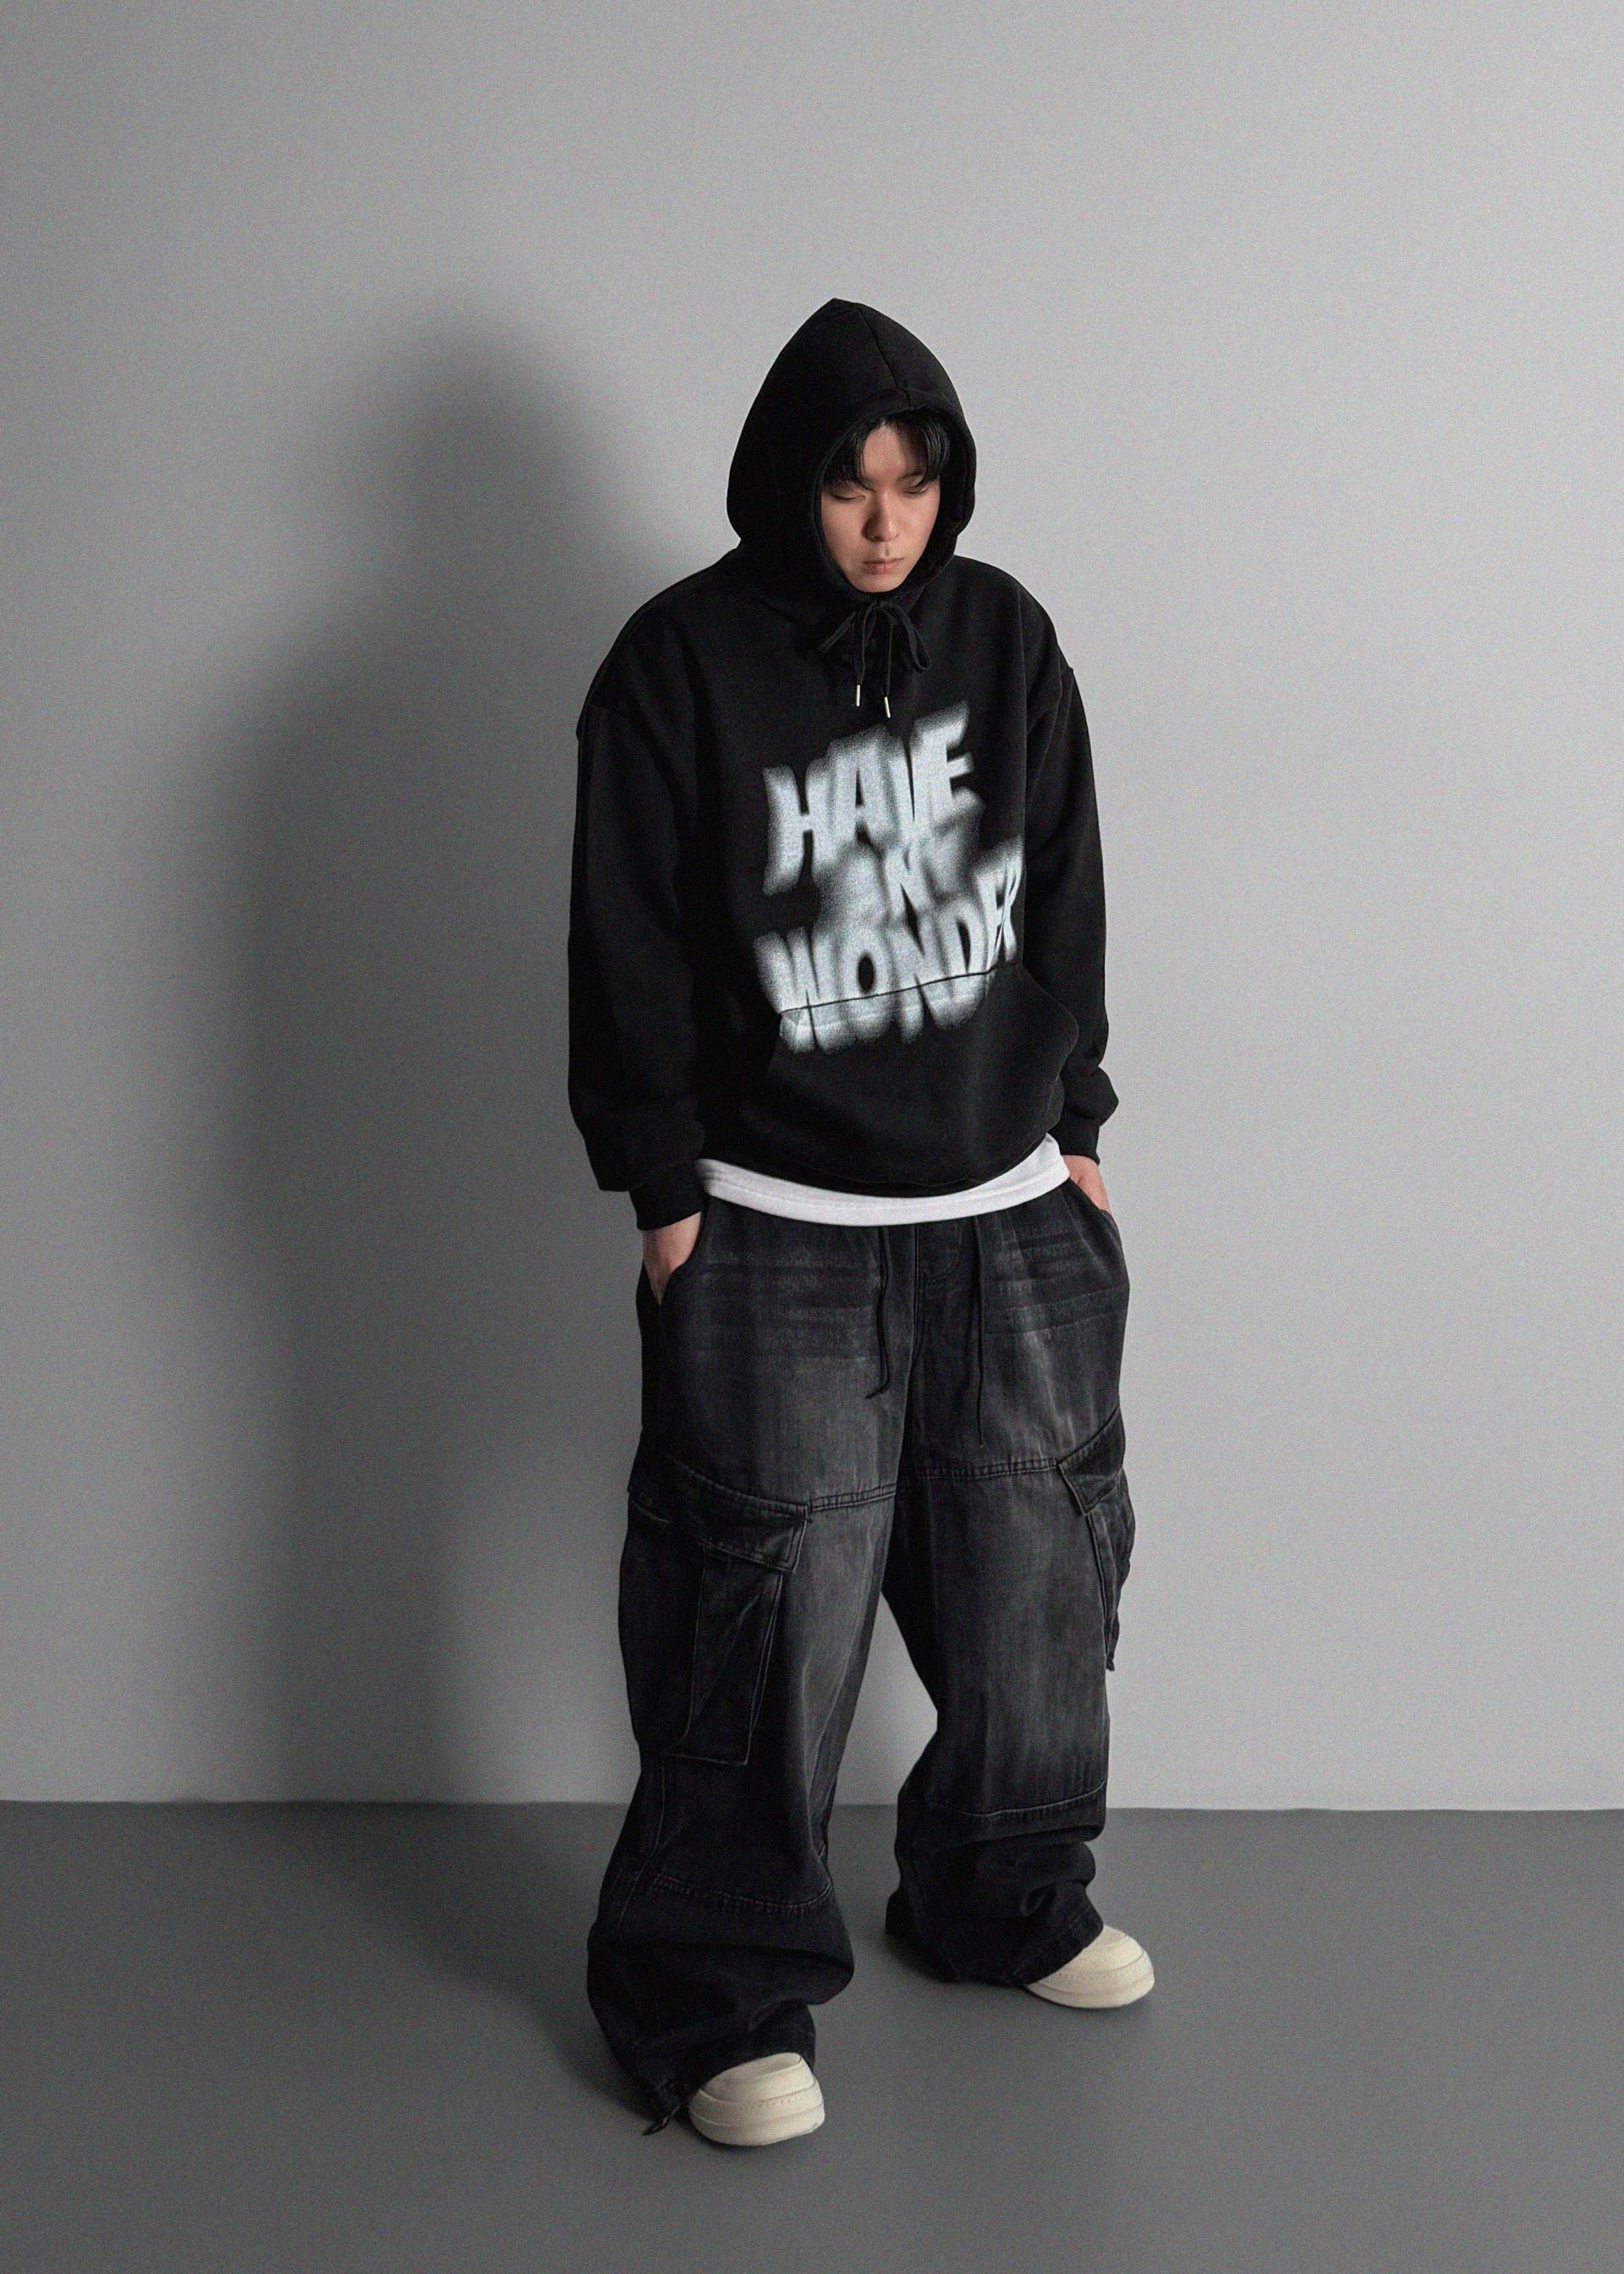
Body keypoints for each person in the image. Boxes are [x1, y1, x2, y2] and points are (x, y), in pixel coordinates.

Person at [568, 296, 1148, 2149]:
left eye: (915, 481)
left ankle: (1002, 1894)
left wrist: (1075, 1126)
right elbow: (629, 938)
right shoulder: (677, 664)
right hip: (778, 1222)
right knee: (761, 1621)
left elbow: (1066, 884)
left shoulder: (1006, 637)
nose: (887, 522)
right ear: (787, 485)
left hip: (1007, 1208)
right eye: (849, 485)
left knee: (1039, 1584)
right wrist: (668, 1195)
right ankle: (715, 1997)